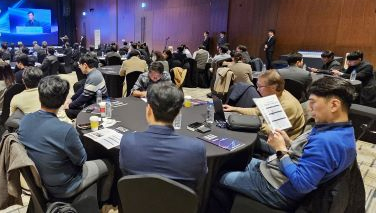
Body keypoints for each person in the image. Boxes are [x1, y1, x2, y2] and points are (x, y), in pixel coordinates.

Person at [217, 76, 357, 210]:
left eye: (313, 102)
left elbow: (302, 184)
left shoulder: (328, 141)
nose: (309, 108)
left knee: (216, 176)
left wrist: (280, 150)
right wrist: (288, 143)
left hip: (277, 189)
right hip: (273, 171)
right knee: (231, 158)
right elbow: (306, 156)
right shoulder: (342, 129)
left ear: (334, 105)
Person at [18, 75, 114, 201]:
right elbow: (81, 160)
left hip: (41, 180)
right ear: (64, 101)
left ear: (39, 96)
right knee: (109, 164)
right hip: (65, 187)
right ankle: (104, 204)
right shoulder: (66, 130)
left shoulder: (25, 121)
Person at [120, 82, 207, 189]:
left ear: (149, 110)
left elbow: (124, 173)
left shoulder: (128, 141)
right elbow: (200, 182)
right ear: (178, 113)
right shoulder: (196, 148)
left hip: (136, 202)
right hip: (180, 204)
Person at [223, 70, 305, 140]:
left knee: (239, 137)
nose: (257, 89)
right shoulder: (274, 95)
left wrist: (252, 123)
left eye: (260, 86)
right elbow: (256, 111)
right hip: (269, 131)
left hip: (281, 142)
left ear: (273, 87)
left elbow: (276, 133)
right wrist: (233, 108)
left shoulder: (287, 105)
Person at [65, 54, 107, 119]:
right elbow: (83, 89)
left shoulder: (93, 77)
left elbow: (84, 97)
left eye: (80, 65)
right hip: (94, 101)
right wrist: (72, 99)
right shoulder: (95, 72)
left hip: (98, 107)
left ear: (85, 65)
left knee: (68, 111)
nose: (79, 67)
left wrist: (69, 106)